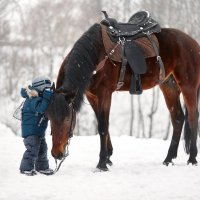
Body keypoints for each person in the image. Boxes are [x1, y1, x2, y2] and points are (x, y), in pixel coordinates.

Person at [19, 75, 54, 176]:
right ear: (40, 88)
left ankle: (42, 167)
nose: (48, 91)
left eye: (49, 89)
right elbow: (41, 109)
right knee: (32, 149)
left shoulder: (40, 98)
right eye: (46, 89)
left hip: (38, 131)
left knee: (43, 149)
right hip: (31, 131)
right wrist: (48, 97)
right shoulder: (32, 98)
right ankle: (26, 168)